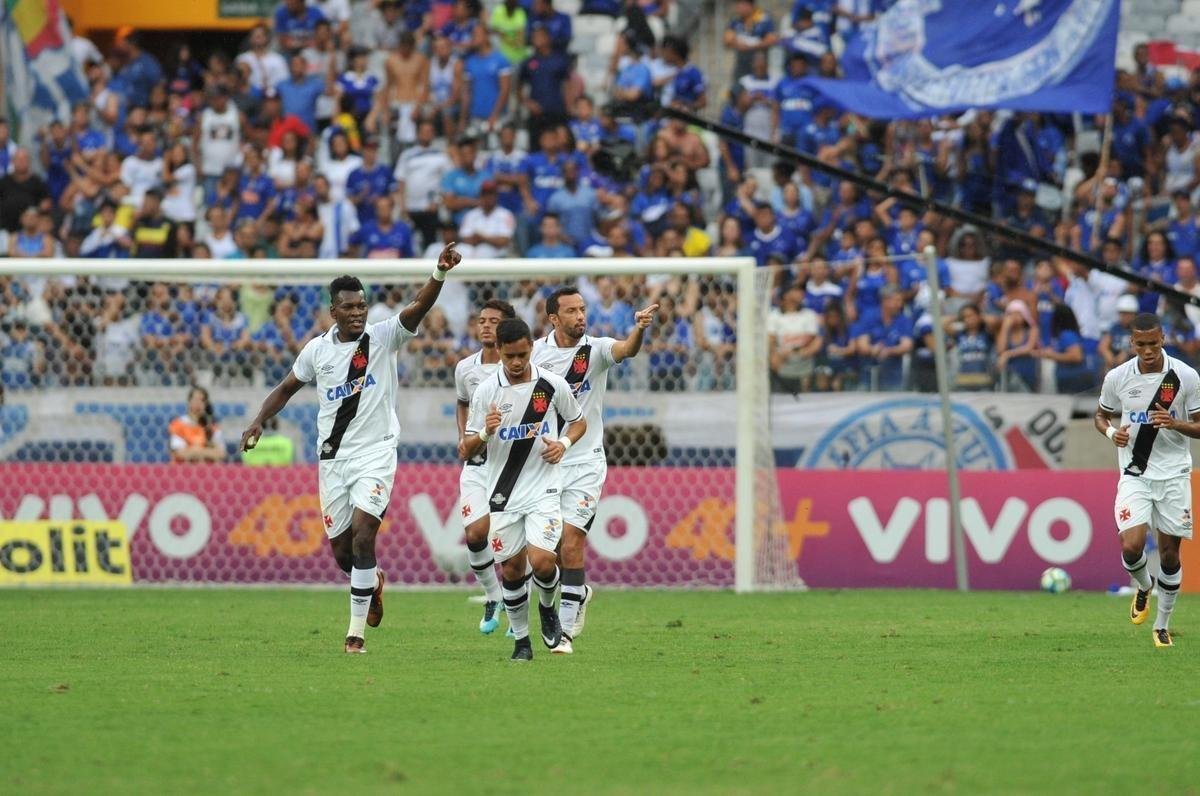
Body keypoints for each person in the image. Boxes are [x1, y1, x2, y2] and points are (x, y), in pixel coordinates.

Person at [239, 244, 463, 654]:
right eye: (350, 307)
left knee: (364, 536)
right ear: (334, 312)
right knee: (344, 553)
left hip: (376, 454)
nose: (358, 312)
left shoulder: (382, 339)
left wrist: (439, 273)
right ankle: (373, 580)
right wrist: (258, 420)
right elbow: (287, 387)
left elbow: (417, 308)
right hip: (333, 460)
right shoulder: (317, 350)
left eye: (362, 305)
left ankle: (354, 636)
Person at [529, 288, 658, 654]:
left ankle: (564, 633)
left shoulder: (596, 349)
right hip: (546, 463)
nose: (580, 316)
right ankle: (578, 592)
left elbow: (627, 350)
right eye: (571, 311)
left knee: (572, 543)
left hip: (585, 462)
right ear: (554, 318)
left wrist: (640, 330)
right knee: (544, 554)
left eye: (583, 309)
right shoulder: (537, 354)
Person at [461, 318, 587, 661]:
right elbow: (465, 449)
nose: (517, 362)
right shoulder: (487, 391)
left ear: (531, 348)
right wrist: (485, 433)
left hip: (543, 487)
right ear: (499, 351)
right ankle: (521, 642)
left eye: (523, 354)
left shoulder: (551, 384)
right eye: (510, 356)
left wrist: (562, 443)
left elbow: (578, 421)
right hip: (501, 493)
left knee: (543, 562)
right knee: (513, 570)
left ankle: (547, 608)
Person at [1095, 312, 1200, 648]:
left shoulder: (1183, 376)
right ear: (1132, 343)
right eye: (1141, 344)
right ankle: (1143, 585)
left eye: (1153, 343)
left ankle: (1162, 625)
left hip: (1173, 475)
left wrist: (1175, 424)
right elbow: (1101, 416)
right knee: (1131, 547)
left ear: (1163, 339)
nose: (1148, 350)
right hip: (1135, 473)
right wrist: (1112, 433)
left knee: (1170, 555)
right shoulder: (1117, 377)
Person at [454, 299, 517, 633]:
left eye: (494, 321)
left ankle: (516, 608)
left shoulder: (520, 365)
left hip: (511, 465)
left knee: (510, 545)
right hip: (478, 462)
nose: (486, 326)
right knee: (476, 533)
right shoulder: (466, 368)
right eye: (482, 320)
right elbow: (462, 404)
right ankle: (494, 595)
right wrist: (463, 439)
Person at [169, 386, 226, 463]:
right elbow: (180, 453)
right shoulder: (178, 424)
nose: (198, 403)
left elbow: (221, 453)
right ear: (189, 401)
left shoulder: (212, 426)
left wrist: (195, 451)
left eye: (202, 400)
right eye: (195, 399)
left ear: (206, 404)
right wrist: (207, 452)